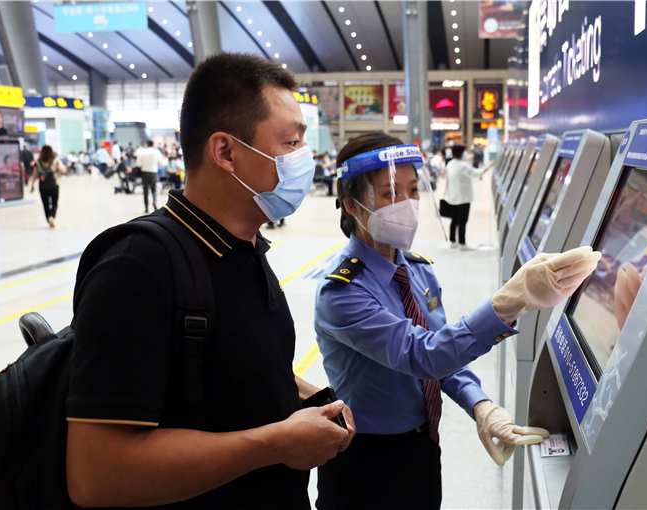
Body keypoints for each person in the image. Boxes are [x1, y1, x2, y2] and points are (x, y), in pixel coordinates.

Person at [65, 53, 355, 510]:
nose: (304, 159)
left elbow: (230, 367)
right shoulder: (138, 268)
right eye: (291, 142)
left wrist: (308, 397)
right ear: (225, 151)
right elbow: (97, 473)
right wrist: (276, 443)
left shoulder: (242, 249)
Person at [314, 132, 601, 509]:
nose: (406, 204)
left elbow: (444, 353)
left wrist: (480, 404)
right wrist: (507, 303)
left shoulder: (416, 271)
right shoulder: (343, 293)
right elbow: (423, 355)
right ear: (351, 205)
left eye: (413, 190)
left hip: (422, 448)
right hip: (365, 458)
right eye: (388, 194)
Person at [442, 144, 493, 250]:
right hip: (463, 198)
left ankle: (452, 241)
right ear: (461, 153)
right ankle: (462, 243)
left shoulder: (450, 164)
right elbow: (476, 173)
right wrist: (488, 166)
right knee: (462, 221)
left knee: (454, 220)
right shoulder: (463, 165)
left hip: (452, 197)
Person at [30, 145, 66, 228]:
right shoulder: (55, 161)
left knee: (45, 204)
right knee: (54, 203)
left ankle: (48, 218)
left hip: (43, 186)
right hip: (54, 185)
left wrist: (32, 185)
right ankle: (51, 217)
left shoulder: (38, 162)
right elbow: (63, 170)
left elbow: (35, 175)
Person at [136, 140, 166, 213]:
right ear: (153, 145)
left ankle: (146, 208)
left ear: (147, 144)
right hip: (153, 173)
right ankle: (154, 201)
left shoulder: (143, 152)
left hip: (145, 173)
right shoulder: (156, 152)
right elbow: (161, 162)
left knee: (145, 191)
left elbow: (138, 164)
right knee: (154, 189)